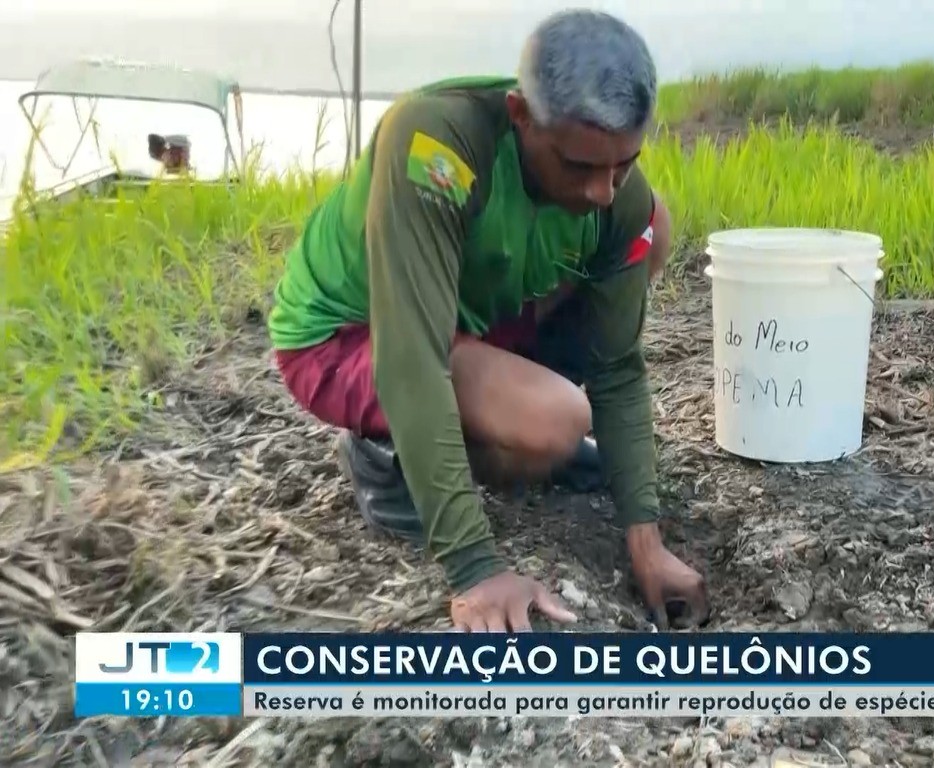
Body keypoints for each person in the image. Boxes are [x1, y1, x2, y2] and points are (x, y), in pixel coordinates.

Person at [266, 9, 707, 633]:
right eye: (579, 167)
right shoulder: (436, 143)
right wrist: (474, 568)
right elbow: (412, 355)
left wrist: (646, 539)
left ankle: (490, 431)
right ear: (520, 116)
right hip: (352, 335)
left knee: (648, 226)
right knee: (557, 422)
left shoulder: (613, 194)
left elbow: (617, 365)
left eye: (624, 164)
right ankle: (384, 463)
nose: (604, 190)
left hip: (470, 319)